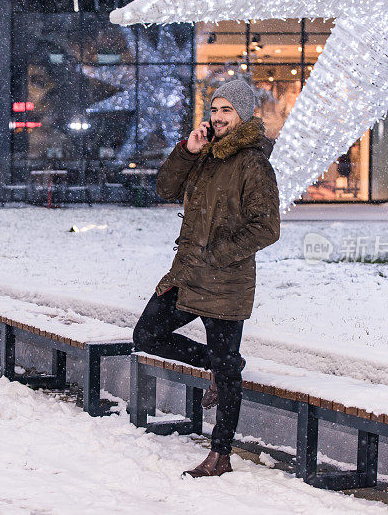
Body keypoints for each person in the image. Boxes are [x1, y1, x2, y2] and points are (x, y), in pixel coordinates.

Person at [132, 79, 281, 478]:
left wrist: (216, 255)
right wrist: (186, 151)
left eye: (226, 111)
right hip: (187, 274)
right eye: (214, 110)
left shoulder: (253, 163)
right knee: (147, 335)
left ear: (244, 114)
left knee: (228, 365)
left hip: (225, 281)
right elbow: (164, 188)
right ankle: (212, 368)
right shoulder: (205, 154)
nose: (217, 118)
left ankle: (221, 454)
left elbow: (265, 227)